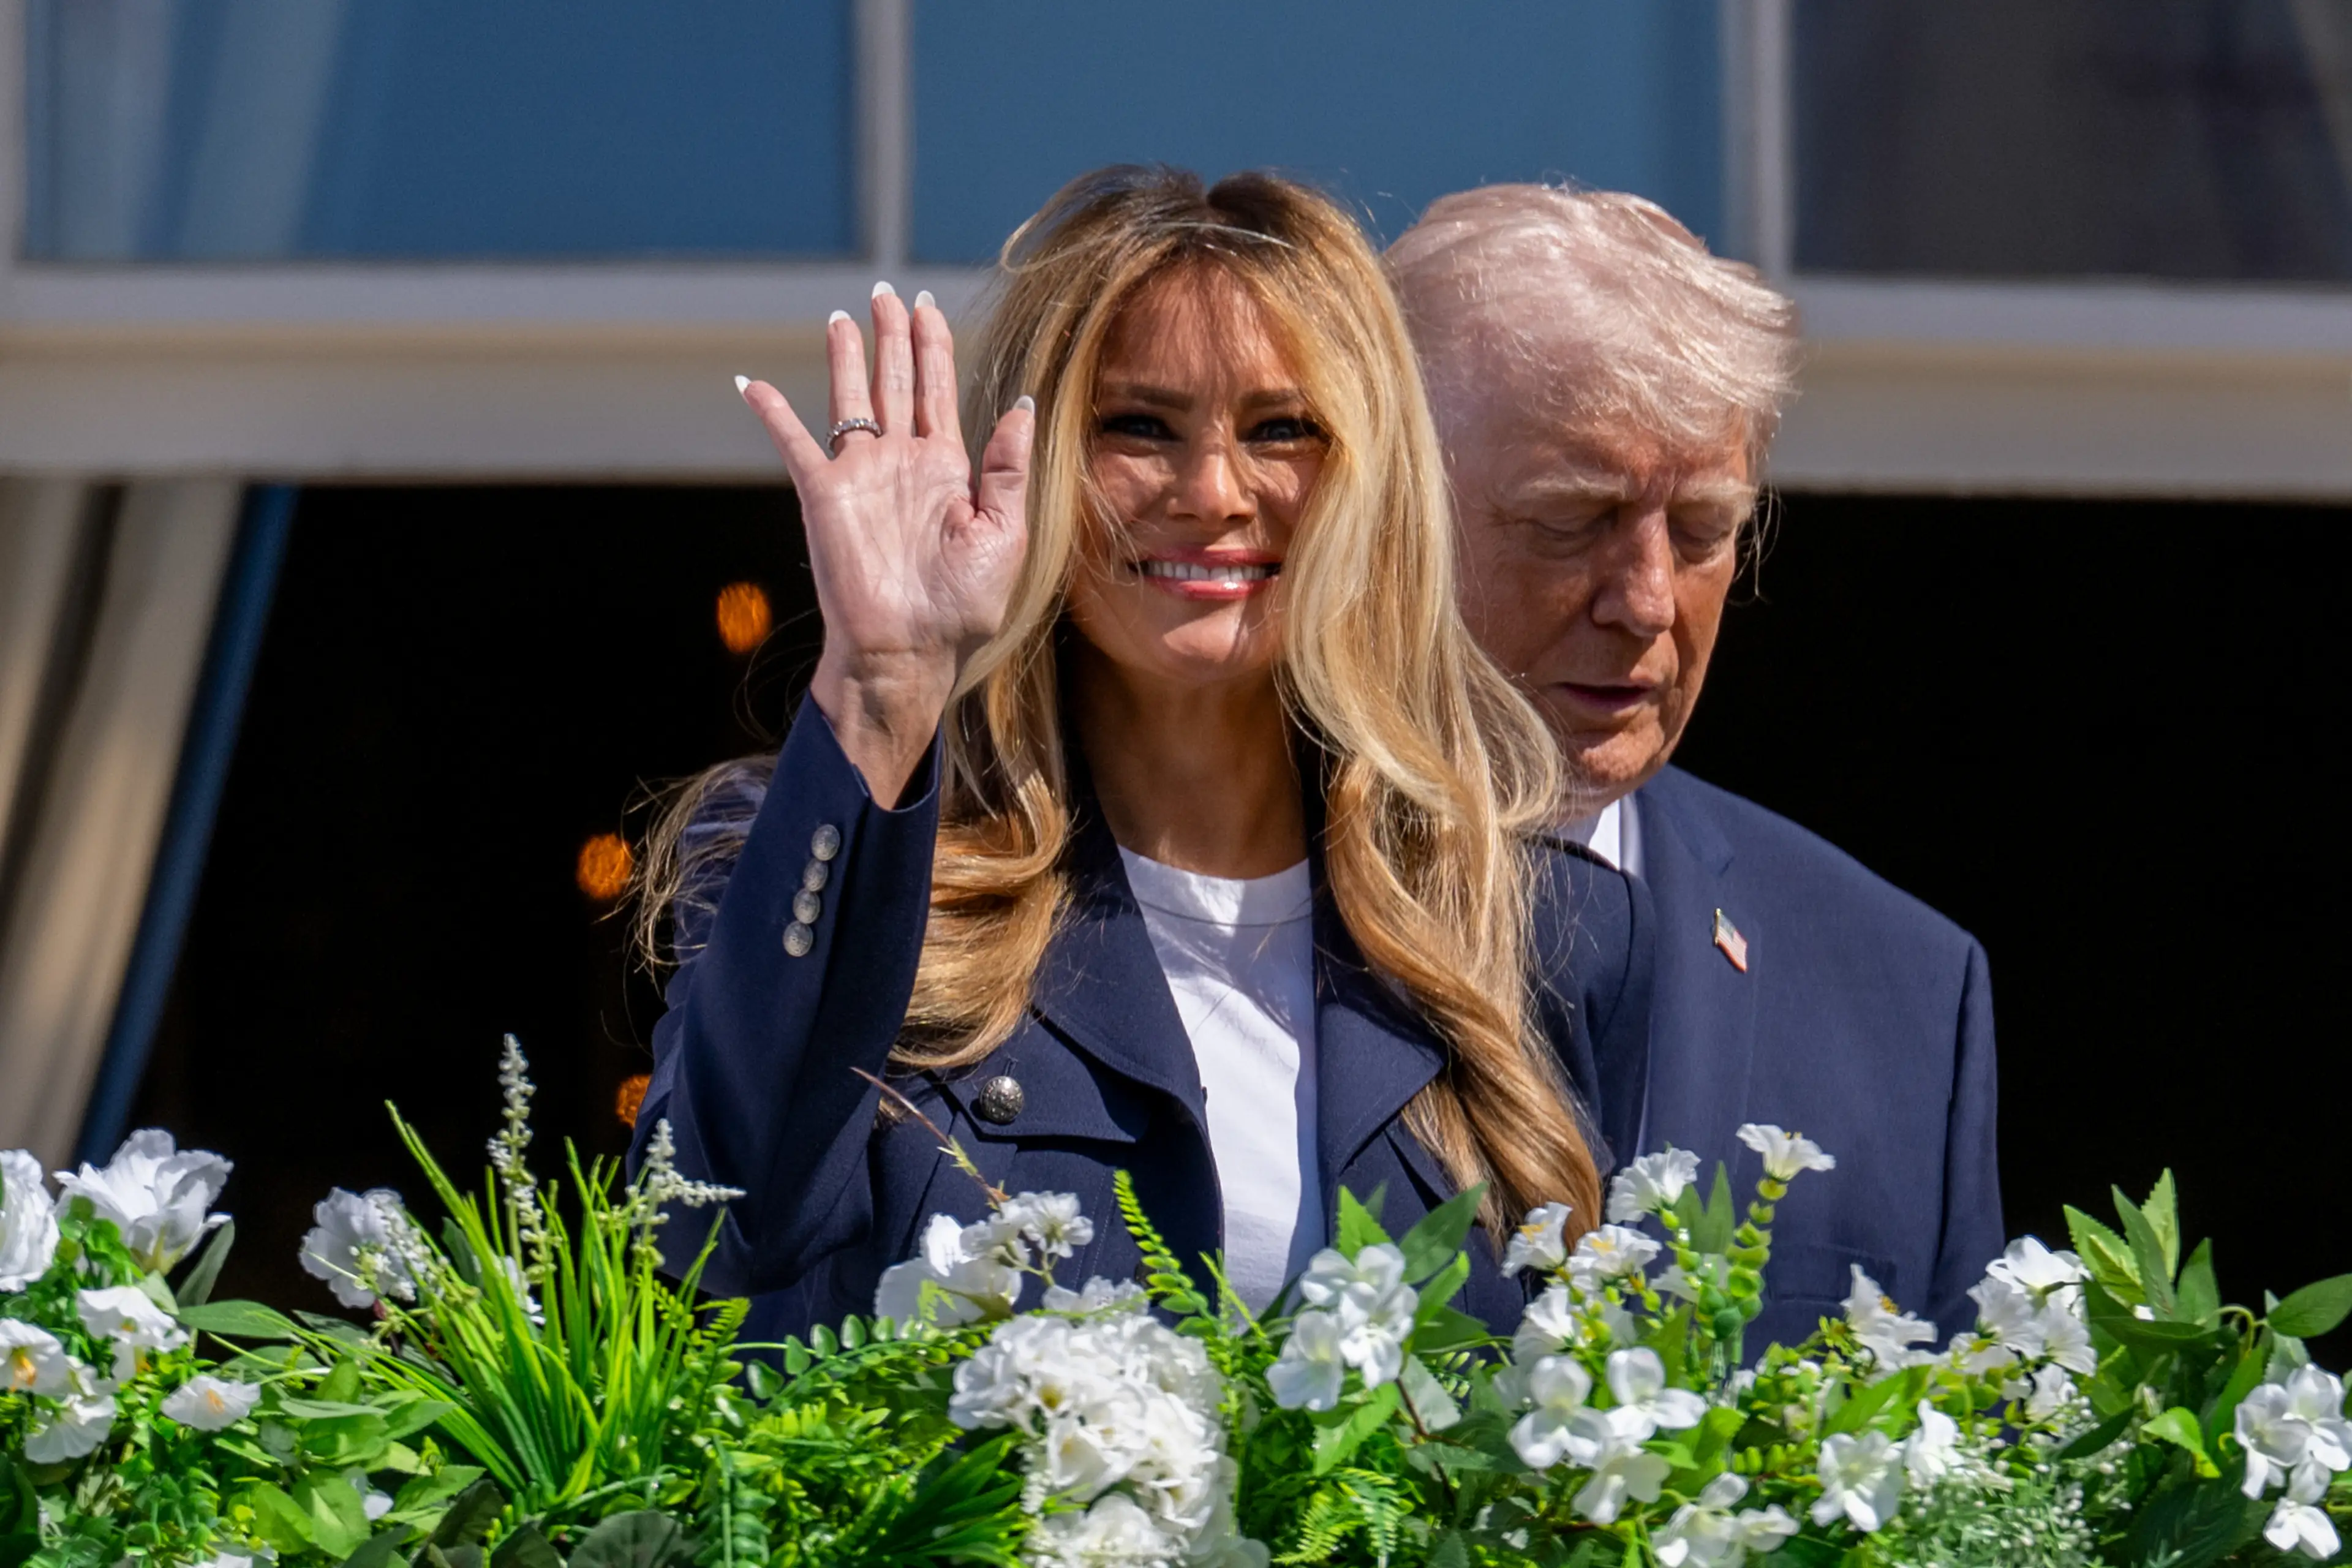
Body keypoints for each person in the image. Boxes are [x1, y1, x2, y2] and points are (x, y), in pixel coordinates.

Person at [625, 167, 1651, 1337]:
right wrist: (880, 683)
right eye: (1138, 428)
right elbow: (711, 1229)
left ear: (1372, 482)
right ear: (1038, 463)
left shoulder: (1527, 921)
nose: (1213, 492)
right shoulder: (846, 866)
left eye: (1282, 430)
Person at [1389, 185, 2002, 1348]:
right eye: (1572, 519)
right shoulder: (1208, 895)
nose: (1648, 602)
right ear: (1383, 509)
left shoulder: (1905, 992)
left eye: (1705, 530)